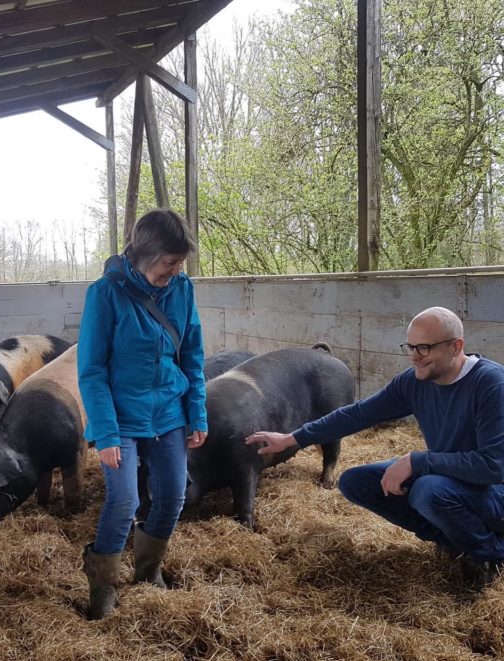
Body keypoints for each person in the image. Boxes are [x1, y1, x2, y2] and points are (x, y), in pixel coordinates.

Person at [245, 306, 504, 586]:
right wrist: (292, 438)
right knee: (356, 482)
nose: (414, 356)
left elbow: (494, 466)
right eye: (411, 346)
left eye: (425, 348)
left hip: (493, 492)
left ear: (456, 347)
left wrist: (417, 462)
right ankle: (454, 542)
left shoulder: (491, 384)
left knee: (428, 491)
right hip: (451, 479)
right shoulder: (414, 382)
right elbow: (357, 414)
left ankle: (491, 554)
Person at [77, 208, 208, 619]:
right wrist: (106, 433)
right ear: (145, 253)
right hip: (121, 416)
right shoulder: (105, 293)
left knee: (173, 494)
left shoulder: (181, 290)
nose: (175, 270)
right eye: (169, 262)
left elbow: (191, 353)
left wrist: (197, 412)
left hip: (168, 410)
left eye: (180, 263)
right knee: (124, 500)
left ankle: (148, 571)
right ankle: (103, 589)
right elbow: (92, 370)